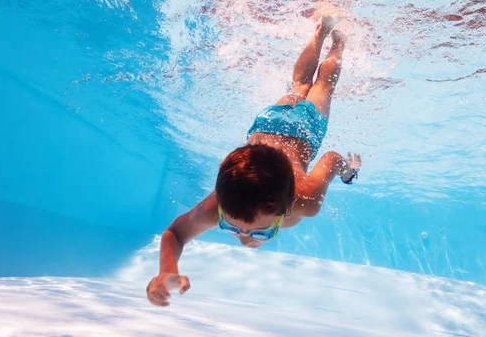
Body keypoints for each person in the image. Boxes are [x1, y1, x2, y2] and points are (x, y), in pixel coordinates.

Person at [146, 15, 362, 307]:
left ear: (289, 206)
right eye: (234, 227)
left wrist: (349, 173)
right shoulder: (223, 206)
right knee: (305, 84)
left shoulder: (306, 200)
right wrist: (166, 272)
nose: (244, 239)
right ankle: (324, 30)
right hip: (270, 125)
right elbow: (174, 234)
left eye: (260, 232)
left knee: (317, 85)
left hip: (302, 130)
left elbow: (333, 159)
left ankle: (337, 40)